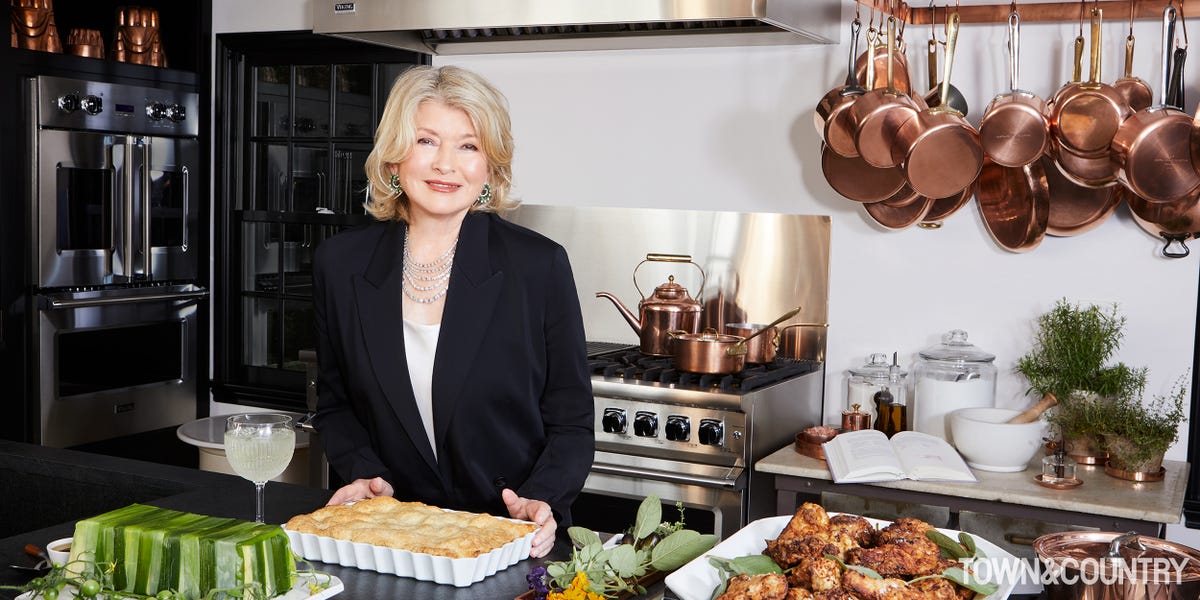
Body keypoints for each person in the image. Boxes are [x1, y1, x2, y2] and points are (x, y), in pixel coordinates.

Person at [311, 65, 594, 558]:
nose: (446, 164)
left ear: (489, 166)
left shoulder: (539, 265)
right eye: (426, 141)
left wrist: (540, 499)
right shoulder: (340, 264)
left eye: (468, 146)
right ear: (394, 158)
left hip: (511, 541)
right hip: (396, 541)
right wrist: (365, 476)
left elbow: (571, 424)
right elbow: (335, 406)